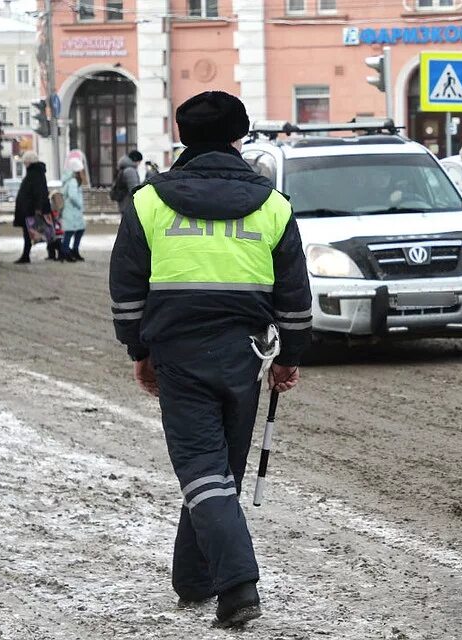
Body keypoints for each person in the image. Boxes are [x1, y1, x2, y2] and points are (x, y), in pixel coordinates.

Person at [109, 90, 312, 627]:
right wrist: (288, 356)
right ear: (238, 138)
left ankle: (237, 586)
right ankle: (194, 578)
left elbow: (127, 290)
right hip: (245, 356)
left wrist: (140, 349)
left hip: (179, 355)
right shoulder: (272, 204)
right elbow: (294, 293)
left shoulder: (149, 202)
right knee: (218, 474)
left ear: (183, 139)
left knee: (205, 472)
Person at [13, 151, 51, 264]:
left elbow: (38, 193)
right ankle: (53, 252)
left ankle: (26, 255)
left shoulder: (35, 174)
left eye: (25, 162)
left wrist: (38, 208)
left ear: (30, 162)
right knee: (37, 232)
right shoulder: (35, 173)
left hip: (30, 209)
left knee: (35, 232)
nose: (24, 165)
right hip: (29, 208)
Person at [60, 157, 86, 262]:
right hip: (72, 211)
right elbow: (73, 196)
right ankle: (66, 252)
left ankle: (71, 251)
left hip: (71, 211)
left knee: (77, 230)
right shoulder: (73, 181)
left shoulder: (69, 180)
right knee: (70, 232)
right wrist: (80, 205)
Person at [113, 149, 143, 216]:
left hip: (124, 203)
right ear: (136, 160)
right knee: (130, 225)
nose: (139, 164)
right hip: (128, 203)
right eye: (139, 161)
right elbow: (134, 189)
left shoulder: (124, 168)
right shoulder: (130, 171)